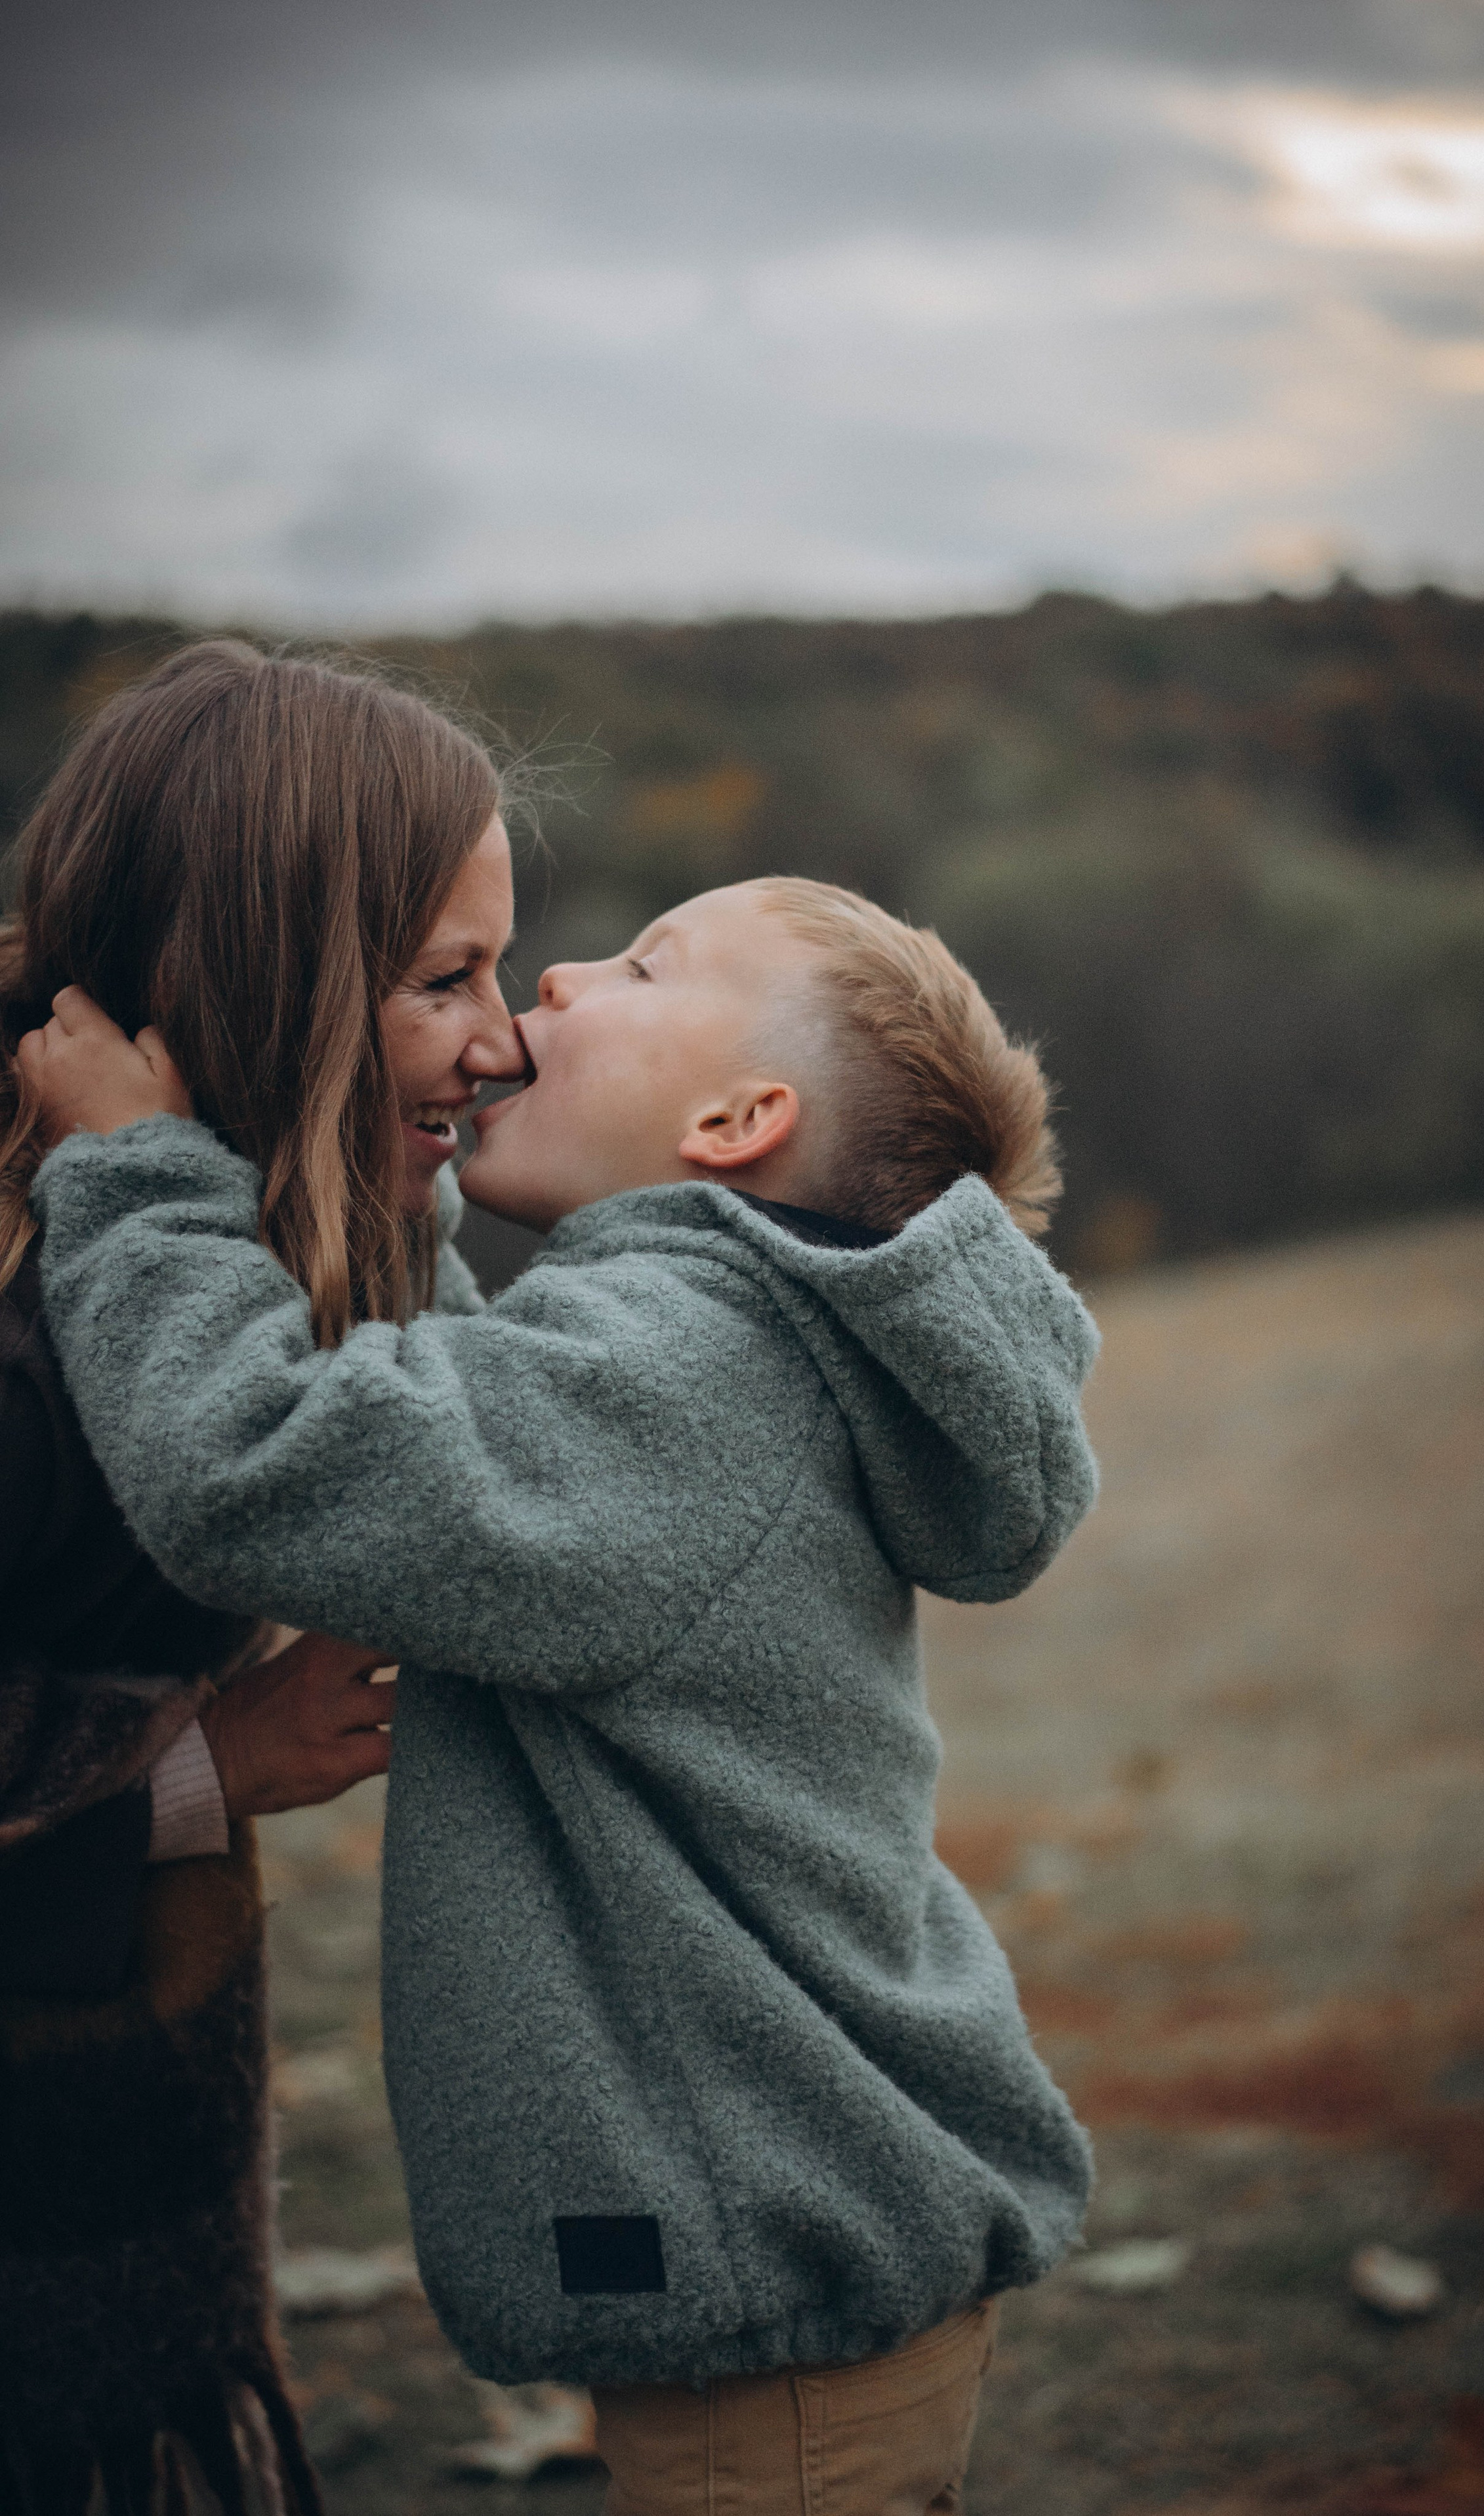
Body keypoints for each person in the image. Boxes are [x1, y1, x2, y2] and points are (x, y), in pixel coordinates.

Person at [24, 875, 1101, 2516]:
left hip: (778, 2343)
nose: (560, 976)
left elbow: (265, 1464)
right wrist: (397, 1190)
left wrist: (135, 1179)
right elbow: (462, 1411)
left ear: (741, 1118)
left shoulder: (690, 1377)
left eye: (645, 963)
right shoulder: (711, 1341)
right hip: (789, 2277)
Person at [0, 640, 525, 2513]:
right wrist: (205, 1754)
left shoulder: (256, 1230)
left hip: (128, 2167)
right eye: (445, 978)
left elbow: (466, 1434)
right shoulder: (23, 1329)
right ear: (265, 978)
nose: (506, 1036)